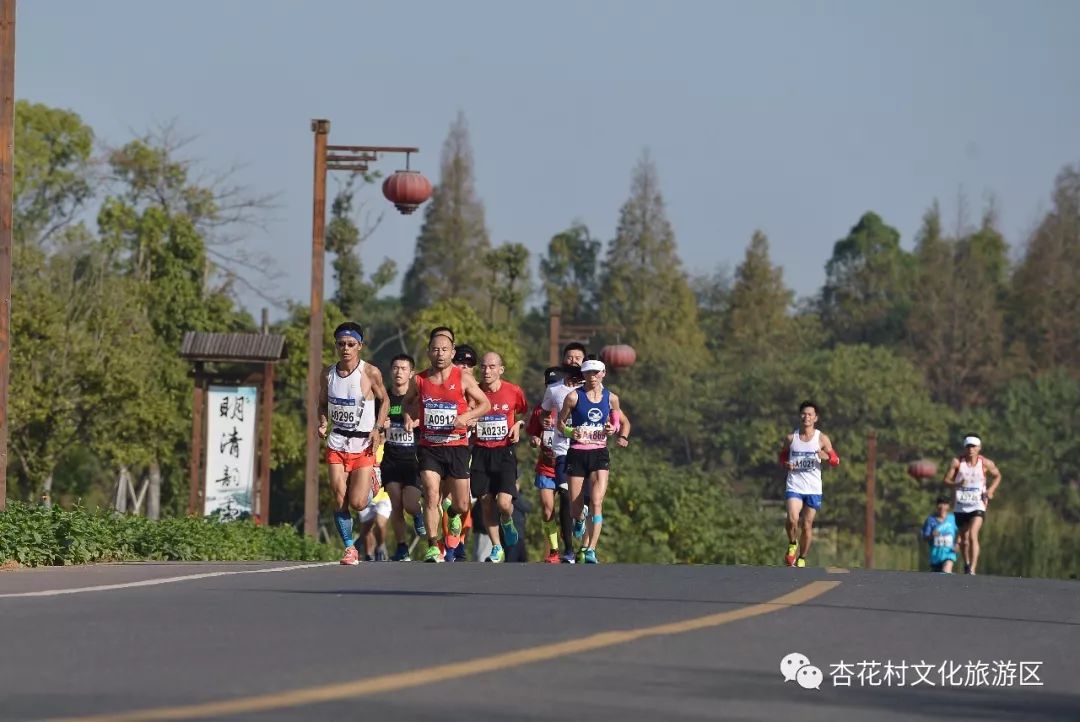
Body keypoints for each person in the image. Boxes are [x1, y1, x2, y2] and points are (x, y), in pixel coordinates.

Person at [403, 327, 490, 562]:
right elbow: (407, 402)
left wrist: (466, 418)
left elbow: (485, 404)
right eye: (435, 350)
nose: (440, 354)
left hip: (457, 445)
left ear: (452, 353)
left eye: (444, 349)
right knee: (431, 495)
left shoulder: (463, 378)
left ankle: (452, 513)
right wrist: (409, 416)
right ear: (428, 353)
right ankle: (433, 545)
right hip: (429, 446)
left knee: (462, 504)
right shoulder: (419, 380)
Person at [318, 322, 388, 566]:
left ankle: (374, 480)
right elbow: (322, 403)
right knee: (339, 498)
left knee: (358, 503)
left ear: (360, 346)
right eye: (340, 344)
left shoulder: (369, 373)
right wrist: (323, 422)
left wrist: (378, 428)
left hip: (362, 445)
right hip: (337, 442)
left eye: (350, 344)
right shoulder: (328, 374)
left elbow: (385, 399)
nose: (345, 349)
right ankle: (350, 548)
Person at [558, 359, 630, 564]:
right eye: (588, 372)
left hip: (599, 453)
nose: (592, 376)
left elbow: (616, 421)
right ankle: (580, 519)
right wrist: (572, 431)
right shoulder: (573, 397)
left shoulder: (611, 398)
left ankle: (591, 550)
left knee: (597, 501)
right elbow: (559, 425)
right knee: (575, 509)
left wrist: (613, 429)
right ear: (583, 374)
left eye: (596, 372)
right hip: (577, 453)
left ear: (603, 374)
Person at [472, 352, 529, 562]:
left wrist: (518, 424)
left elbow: (525, 414)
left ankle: (507, 520)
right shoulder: (474, 391)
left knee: (503, 502)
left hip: (504, 452)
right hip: (480, 452)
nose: (487, 371)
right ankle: (497, 547)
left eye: (492, 367)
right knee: (486, 501)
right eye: (484, 367)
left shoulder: (513, 391)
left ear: (500, 370)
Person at [540, 342, 587, 562]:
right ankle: (568, 550)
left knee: (583, 499)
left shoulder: (592, 387)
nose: (574, 361)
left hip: (587, 449)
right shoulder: (554, 388)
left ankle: (581, 519)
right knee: (565, 495)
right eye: (570, 357)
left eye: (579, 357)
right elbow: (543, 412)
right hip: (562, 450)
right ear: (563, 360)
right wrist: (543, 421)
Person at [778, 400, 838, 569]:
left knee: (807, 525)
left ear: (815, 418)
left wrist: (827, 457)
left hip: (813, 488)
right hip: (795, 485)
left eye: (810, 414)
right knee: (792, 518)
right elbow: (782, 456)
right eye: (804, 414)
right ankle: (792, 544)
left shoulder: (822, 438)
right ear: (800, 416)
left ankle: (802, 557)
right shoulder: (791, 438)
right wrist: (786, 464)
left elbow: (836, 459)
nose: (807, 417)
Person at [380, 353, 424, 562]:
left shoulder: (417, 399)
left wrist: (415, 423)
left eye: (404, 368)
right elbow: (376, 432)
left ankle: (418, 515)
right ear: (391, 371)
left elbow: (428, 423)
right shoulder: (384, 399)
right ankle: (402, 547)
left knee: (410, 505)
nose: (399, 372)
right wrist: (382, 427)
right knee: (395, 504)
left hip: (413, 461)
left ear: (411, 373)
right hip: (391, 460)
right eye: (395, 368)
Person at [943, 435, 1001, 575]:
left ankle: (972, 569)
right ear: (965, 447)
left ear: (979, 448)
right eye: (968, 446)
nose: (971, 449)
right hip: (961, 505)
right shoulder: (957, 463)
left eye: (974, 446)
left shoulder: (985, 463)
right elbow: (946, 480)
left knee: (973, 534)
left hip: (978, 504)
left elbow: (998, 476)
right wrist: (957, 484)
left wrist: (990, 490)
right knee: (964, 539)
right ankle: (967, 563)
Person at [528, 366, 564, 563]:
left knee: (571, 508)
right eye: (549, 385)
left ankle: (572, 543)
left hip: (567, 466)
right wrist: (535, 440)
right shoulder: (539, 410)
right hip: (546, 466)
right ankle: (554, 550)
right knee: (547, 508)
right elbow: (534, 435)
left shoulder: (570, 406)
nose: (552, 389)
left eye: (555, 384)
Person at [358, 444, 392, 561]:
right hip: (366, 494)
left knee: (380, 523)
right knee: (366, 529)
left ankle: (380, 546)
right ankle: (368, 556)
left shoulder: (388, 448)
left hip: (383, 495)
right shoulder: (363, 446)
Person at [922, 495, 958, 573]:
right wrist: (932, 535)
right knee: (936, 579)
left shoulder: (953, 519)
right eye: (940, 503)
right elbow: (925, 537)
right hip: (935, 555)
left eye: (945, 504)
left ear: (948, 506)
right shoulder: (930, 520)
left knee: (946, 571)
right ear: (936, 505)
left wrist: (958, 544)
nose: (942, 506)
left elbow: (961, 533)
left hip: (949, 553)